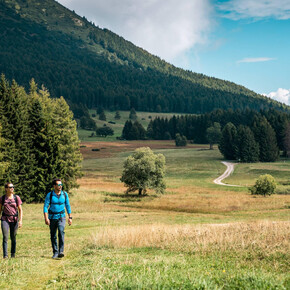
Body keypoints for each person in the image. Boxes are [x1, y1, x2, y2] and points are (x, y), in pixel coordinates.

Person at [43, 178, 72, 259]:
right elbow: (45, 206)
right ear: (54, 186)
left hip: (61, 217)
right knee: (53, 235)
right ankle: (55, 252)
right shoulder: (50, 195)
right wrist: (46, 218)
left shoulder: (65, 194)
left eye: (61, 184)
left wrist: (70, 217)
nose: (60, 186)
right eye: (58, 185)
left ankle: (61, 251)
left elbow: (68, 206)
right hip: (52, 217)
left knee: (61, 231)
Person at [0, 182, 23, 259]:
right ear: (6, 189)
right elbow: (0, 209)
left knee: (13, 237)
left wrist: (20, 220)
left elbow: (20, 210)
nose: (12, 188)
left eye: (13, 187)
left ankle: (13, 254)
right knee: (5, 237)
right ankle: (5, 255)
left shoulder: (16, 198)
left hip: (14, 220)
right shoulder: (2, 198)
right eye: (10, 187)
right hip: (5, 219)